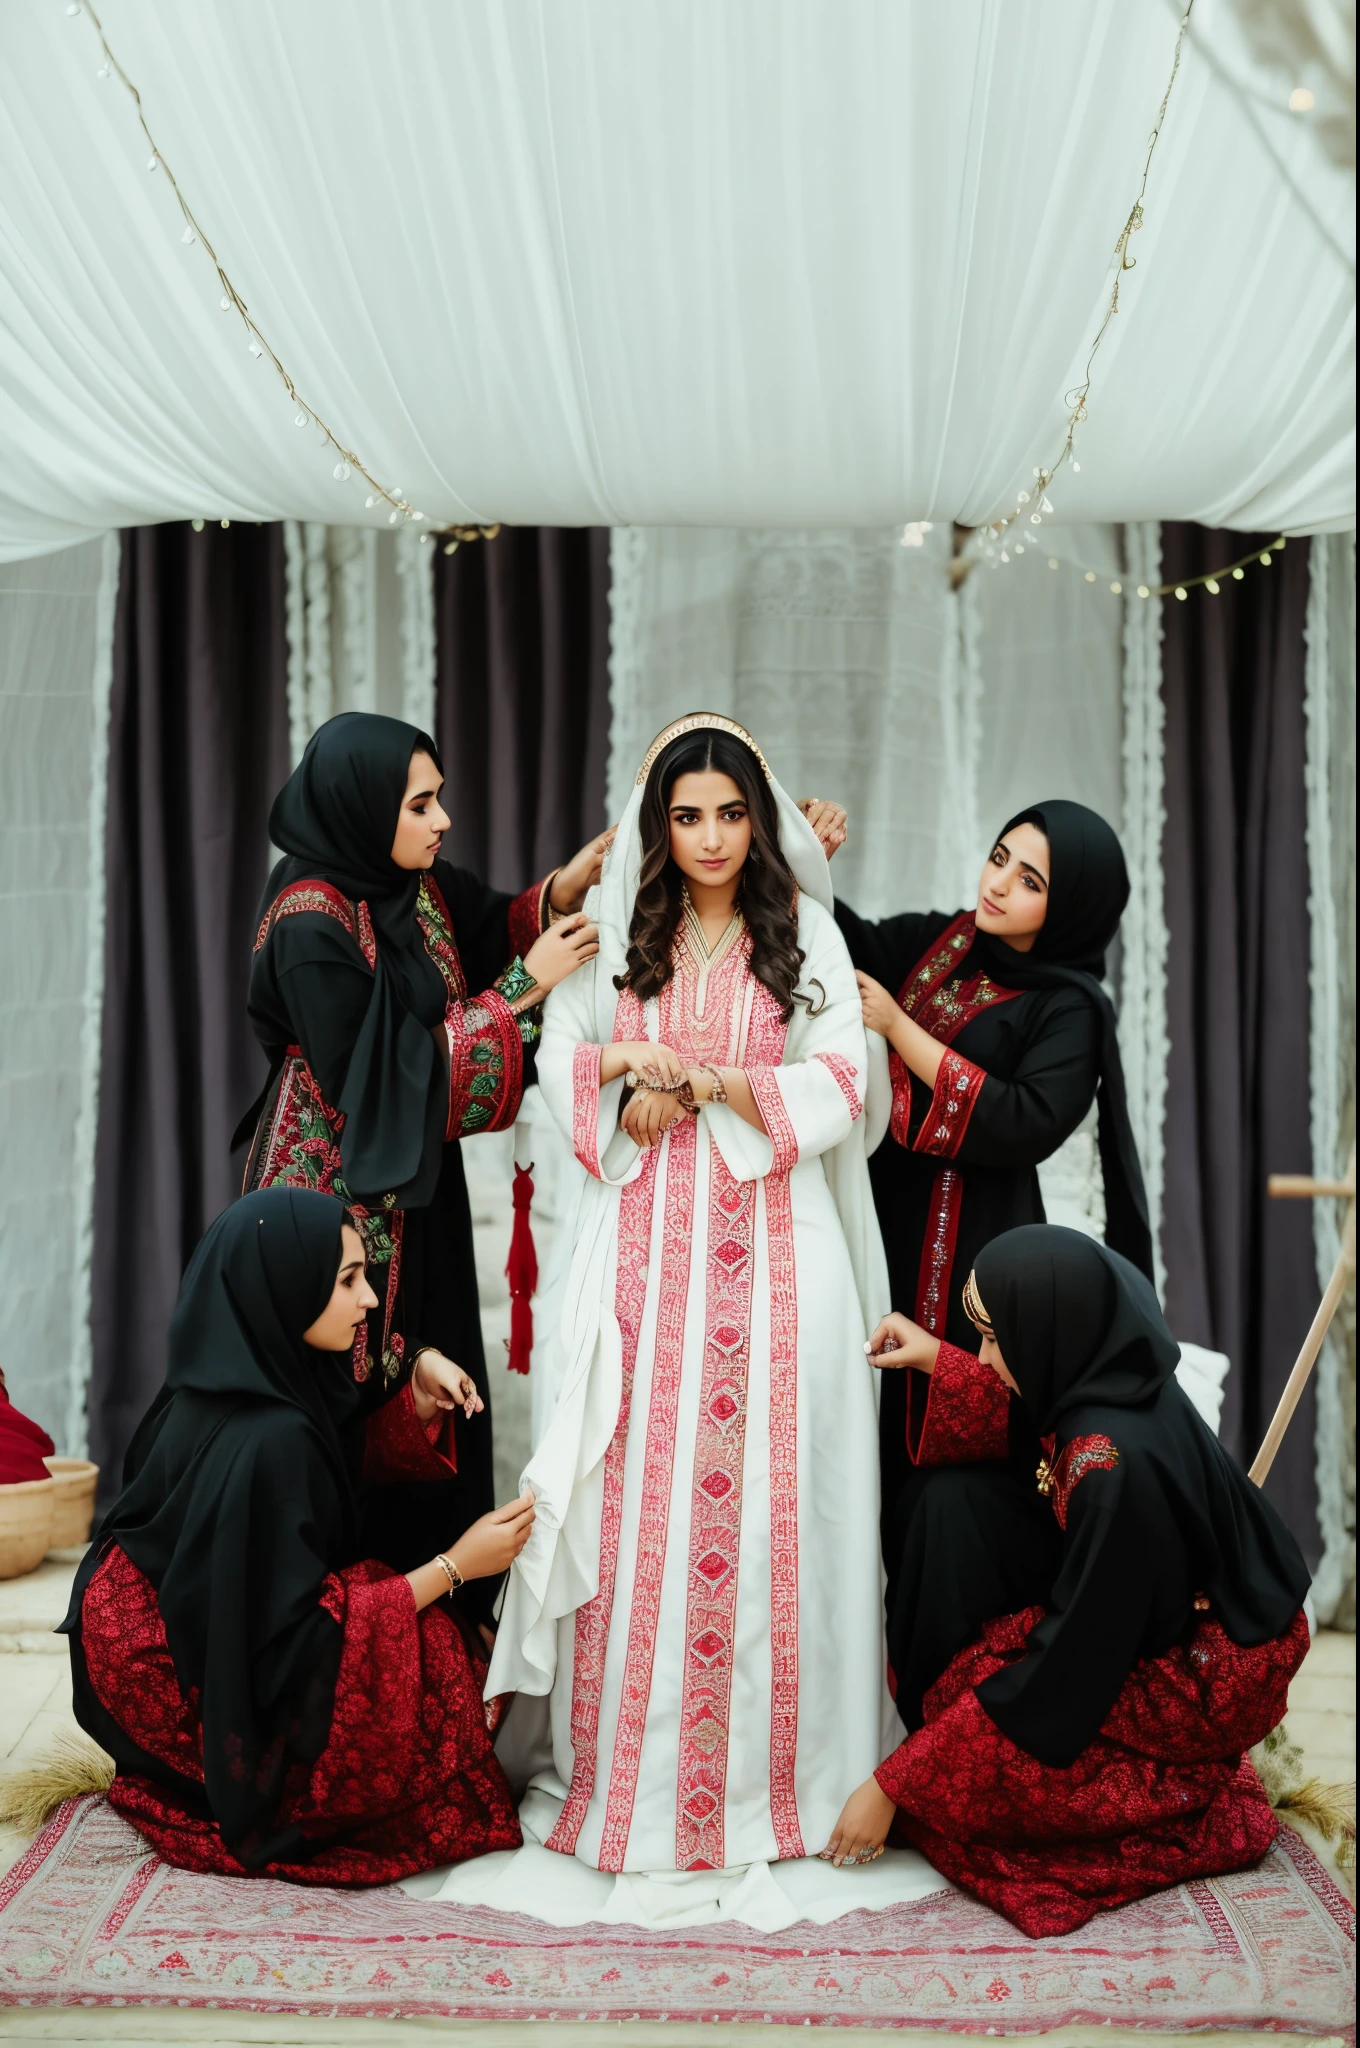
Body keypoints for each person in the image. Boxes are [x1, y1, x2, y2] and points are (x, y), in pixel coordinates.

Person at [486, 713, 891, 1878]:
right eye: (686, 815)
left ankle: (779, 1784)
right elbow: (563, 1050)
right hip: (642, 1257)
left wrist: (708, 1081)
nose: (711, 836)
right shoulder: (627, 930)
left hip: (777, 1250)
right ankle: (631, 1789)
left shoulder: (802, 927)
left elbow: (840, 1077)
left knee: (779, 1502)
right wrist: (624, 1076)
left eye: (728, 812)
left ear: (755, 818)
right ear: (657, 826)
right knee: (630, 1498)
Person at [823, 1226, 1311, 1937]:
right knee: (951, 1515)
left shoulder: (1107, 1468)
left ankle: (1203, 1799)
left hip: (1205, 1677)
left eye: (996, 1339)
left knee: (973, 1799)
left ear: (1051, 1333)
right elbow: (1030, 1422)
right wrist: (937, 1357)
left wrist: (896, 1784)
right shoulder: (1113, 1377)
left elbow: (1067, 1672)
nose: (987, 1357)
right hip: (1149, 1614)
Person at [62, 1188, 535, 1885]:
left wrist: (413, 1403)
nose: (370, 1300)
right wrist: (456, 1567)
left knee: (402, 1608)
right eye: (347, 1281)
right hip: (172, 1682)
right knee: (439, 1658)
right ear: (287, 1285)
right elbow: (292, 1647)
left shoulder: (225, 1377)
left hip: (141, 1632)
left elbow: (303, 1488)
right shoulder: (270, 1439)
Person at [241, 711, 602, 1571]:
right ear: (363, 809)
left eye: (439, 799)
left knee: (437, 1388)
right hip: (333, 1198)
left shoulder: (412, 883)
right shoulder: (309, 921)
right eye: (421, 804)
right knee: (350, 1402)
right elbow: (376, 1079)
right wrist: (522, 987)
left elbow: (482, 928)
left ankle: (438, 1629)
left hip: (415, 1194)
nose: (442, 821)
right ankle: (353, 1629)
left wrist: (561, 892)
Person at [834, 801, 1154, 1698]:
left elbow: (1022, 1122)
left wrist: (899, 1030)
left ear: (1072, 906)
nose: (997, 885)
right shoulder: (947, 942)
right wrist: (804, 854)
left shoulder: (1070, 1009)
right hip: (879, 1218)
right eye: (1000, 858)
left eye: (1029, 880)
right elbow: (849, 937)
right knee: (845, 1440)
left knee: (938, 1472)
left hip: (971, 1249)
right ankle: (841, 1693)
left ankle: (937, 1693)